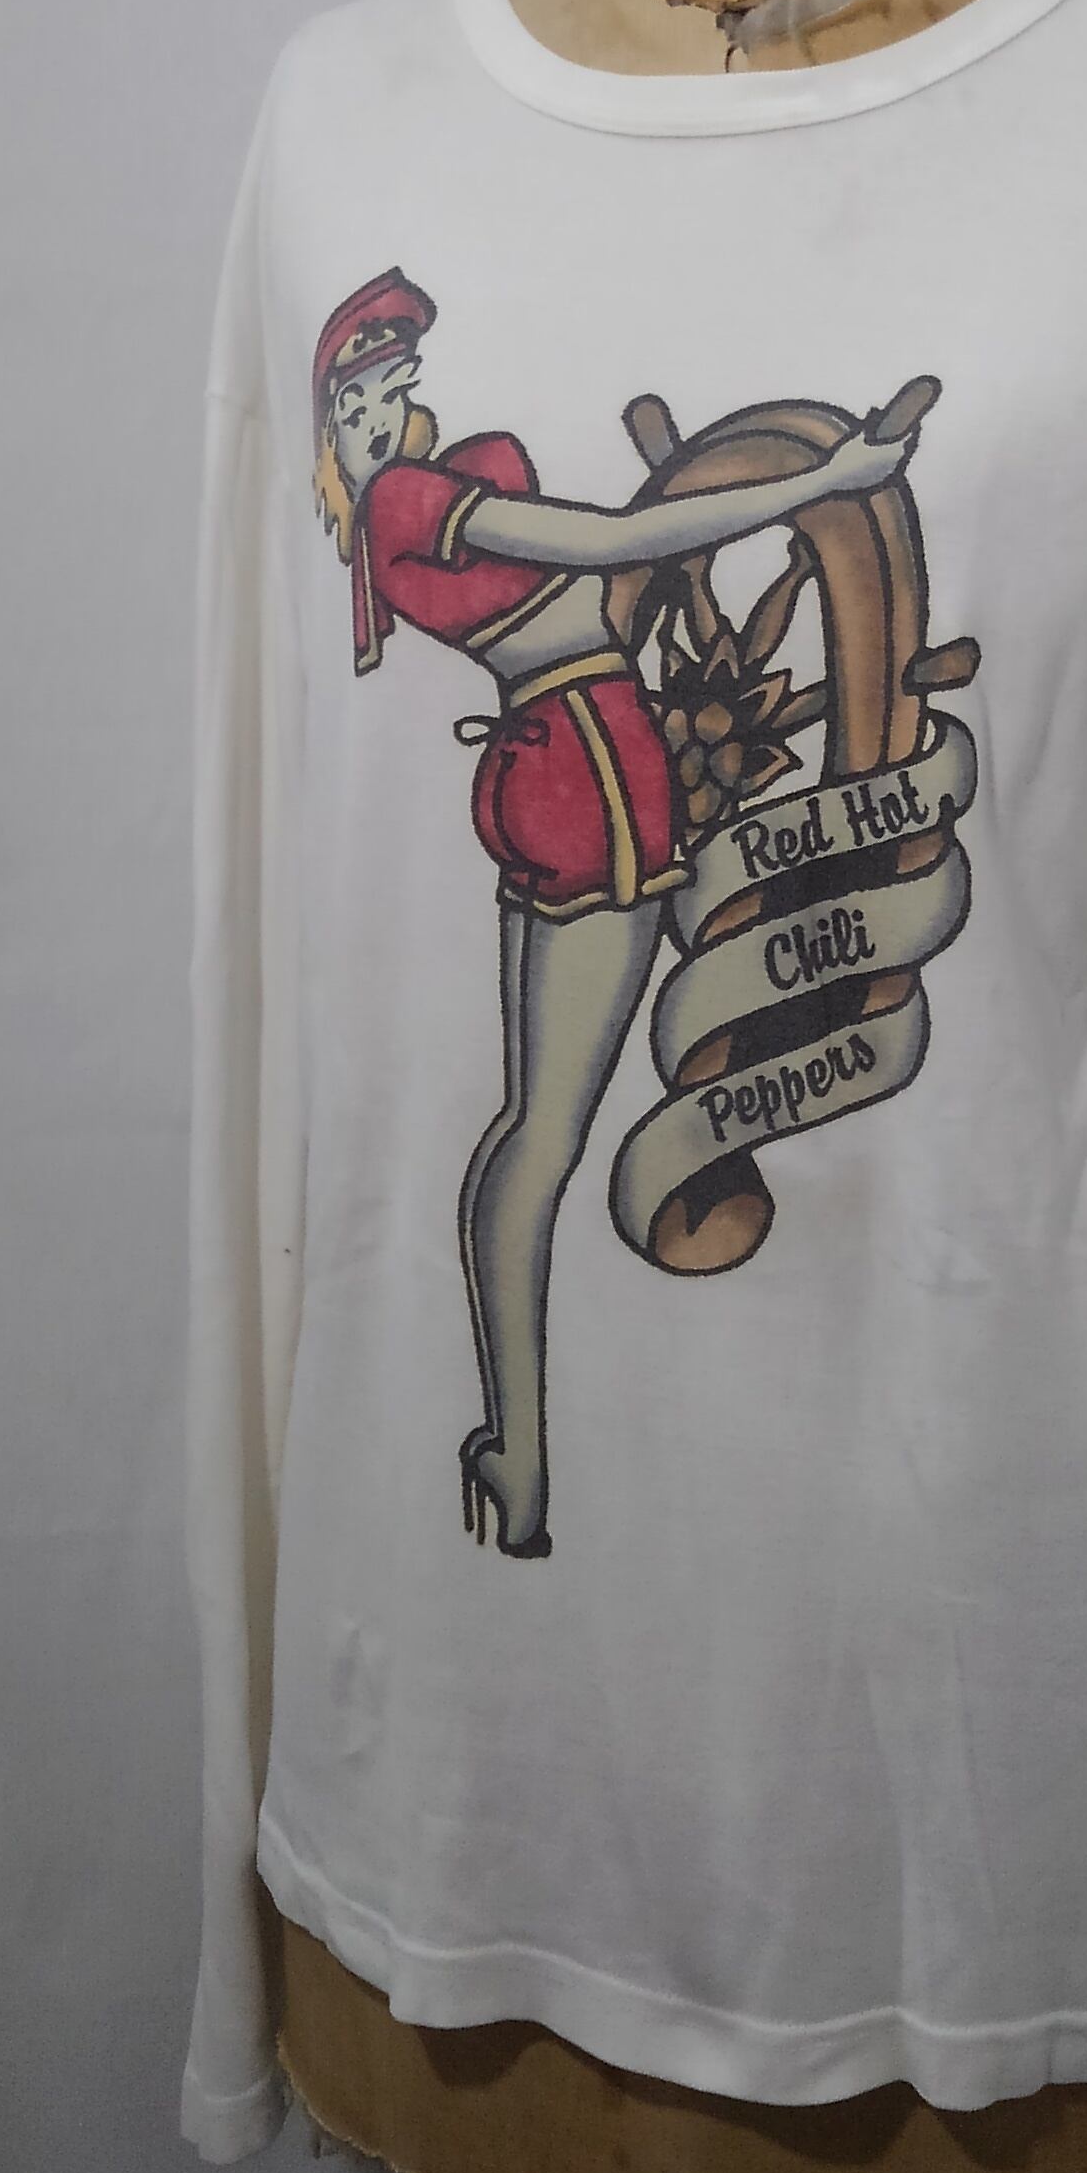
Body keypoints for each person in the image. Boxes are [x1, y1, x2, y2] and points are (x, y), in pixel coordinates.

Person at [312, 265, 918, 1555]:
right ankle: (520, 1449)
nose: (376, 421)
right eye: (350, 408)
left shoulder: (423, 497)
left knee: (537, 1122)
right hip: (581, 788)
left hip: (596, 771)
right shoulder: (407, 502)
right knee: (542, 1134)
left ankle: (518, 1443)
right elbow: (609, 545)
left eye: (387, 393)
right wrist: (821, 483)